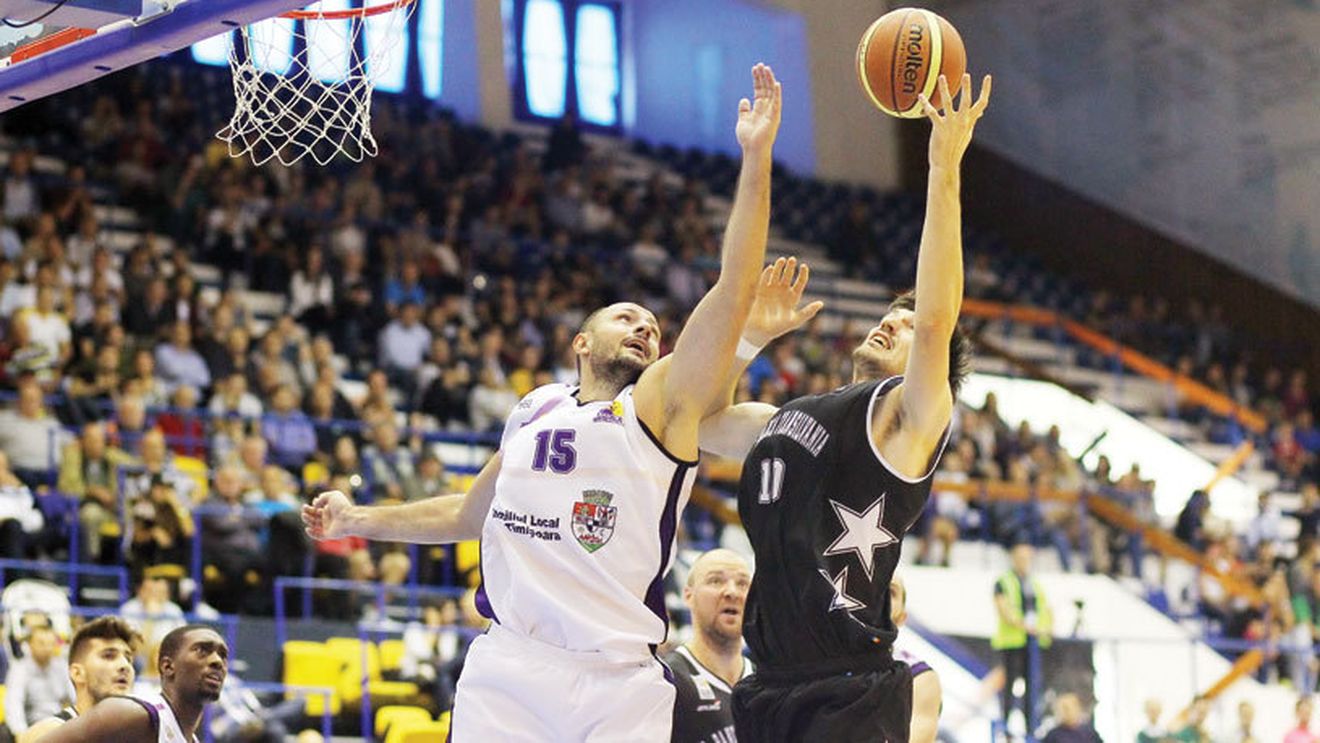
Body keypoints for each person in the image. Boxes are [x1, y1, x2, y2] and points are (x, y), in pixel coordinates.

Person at [302, 64, 783, 742]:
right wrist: (359, 517)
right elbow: (470, 511)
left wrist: (755, 160)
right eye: (626, 317)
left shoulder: (662, 410)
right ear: (581, 342)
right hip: (511, 667)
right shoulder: (534, 408)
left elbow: (732, 290)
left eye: (653, 323)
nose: (646, 327)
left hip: (620, 679)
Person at [697, 74, 990, 743]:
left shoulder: (905, 420)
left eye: (907, 326)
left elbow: (940, 311)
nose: (891, 323)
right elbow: (707, 418)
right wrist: (749, 338)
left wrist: (943, 168)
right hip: (765, 686)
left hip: (848, 694)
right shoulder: (793, 415)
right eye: (890, 315)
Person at [39, 624, 228, 743]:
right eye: (202, 651)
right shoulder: (131, 714)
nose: (217, 661)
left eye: (223, 655)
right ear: (168, 666)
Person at [665, 549, 755, 743]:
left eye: (742, 583)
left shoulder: (767, 683)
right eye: (716, 581)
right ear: (688, 596)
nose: (732, 592)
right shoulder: (667, 681)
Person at [16, 616, 142, 743]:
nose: (125, 665)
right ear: (77, 673)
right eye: (108, 656)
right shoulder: (47, 734)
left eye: (128, 659)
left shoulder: (140, 733)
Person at [993, 541, 1053, 736]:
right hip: (1012, 642)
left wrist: (1045, 629)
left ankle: (1030, 730)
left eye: (1027, 558)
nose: (1024, 562)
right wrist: (1025, 626)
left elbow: (1046, 609)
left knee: (1033, 687)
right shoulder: (1004, 582)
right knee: (1009, 687)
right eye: (1020, 558)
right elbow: (1004, 610)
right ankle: (1007, 730)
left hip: (1033, 644)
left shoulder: (1034, 584)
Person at [891, 577, 941, 743]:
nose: (880, 598)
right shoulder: (823, 665)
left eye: (891, 592)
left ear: (901, 618)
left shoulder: (920, 677)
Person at [3, 626, 73, 736]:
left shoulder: (61, 667)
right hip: (31, 726)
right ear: (30, 645)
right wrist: (21, 734)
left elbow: (76, 697)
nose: (47, 648)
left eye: (51, 643)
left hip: (58, 724)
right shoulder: (20, 669)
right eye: (42, 643)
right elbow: (14, 704)